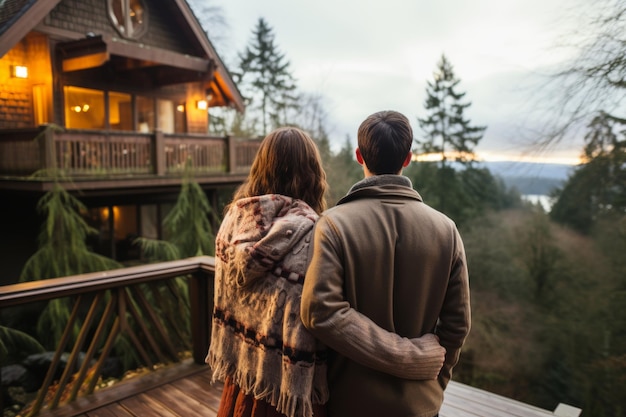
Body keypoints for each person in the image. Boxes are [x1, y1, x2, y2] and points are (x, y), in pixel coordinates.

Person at [207, 126, 447, 417]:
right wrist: (415, 358)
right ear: (312, 173)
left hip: (244, 380)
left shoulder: (233, 222)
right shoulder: (312, 236)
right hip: (290, 393)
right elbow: (327, 316)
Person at [301, 110, 471, 417]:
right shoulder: (446, 230)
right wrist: (432, 383)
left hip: (350, 404)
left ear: (358, 155)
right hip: (421, 406)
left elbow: (318, 311)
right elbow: (457, 326)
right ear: (408, 158)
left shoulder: (333, 225)